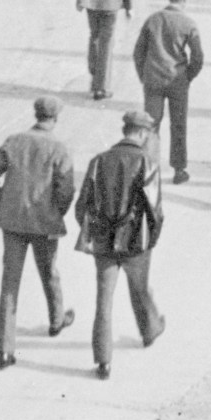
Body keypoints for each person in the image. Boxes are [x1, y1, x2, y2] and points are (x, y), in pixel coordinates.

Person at [0, 95, 78, 367]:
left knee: (10, 282)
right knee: (49, 271)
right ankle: (56, 320)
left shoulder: (14, 140)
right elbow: (67, 190)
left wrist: (0, 204)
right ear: (55, 118)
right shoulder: (59, 147)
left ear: (36, 115)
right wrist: (55, 212)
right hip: (44, 223)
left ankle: (5, 349)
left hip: (12, 222)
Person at [74, 109, 166, 380]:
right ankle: (149, 331)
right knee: (139, 289)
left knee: (103, 301)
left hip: (103, 243)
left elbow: (82, 207)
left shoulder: (99, 161)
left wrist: (94, 231)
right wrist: (152, 239)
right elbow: (155, 209)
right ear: (141, 133)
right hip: (136, 242)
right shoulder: (147, 162)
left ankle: (103, 362)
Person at [132, 0, 203, 184]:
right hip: (178, 80)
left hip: (153, 79)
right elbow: (198, 57)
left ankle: (148, 169)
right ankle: (179, 170)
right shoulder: (188, 23)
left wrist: (144, 76)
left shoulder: (152, 20)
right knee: (178, 124)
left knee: (150, 125)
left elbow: (138, 53)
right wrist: (188, 76)